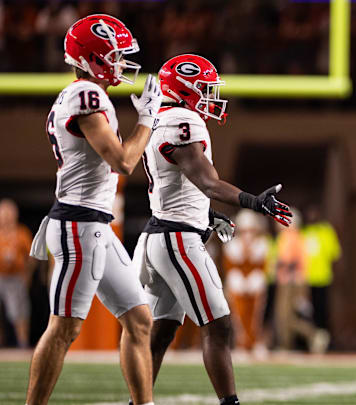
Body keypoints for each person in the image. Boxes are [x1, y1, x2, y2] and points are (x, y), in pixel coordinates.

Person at [132, 54, 292, 405]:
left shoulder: (163, 119)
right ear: (185, 89)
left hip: (163, 234)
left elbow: (180, 187)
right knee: (218, 325)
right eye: (204, 88)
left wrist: (207, 216)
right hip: (177, 240)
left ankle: (138, 403)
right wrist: (253, 201)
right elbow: (207, 182)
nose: (210, 96)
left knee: (162, 331)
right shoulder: (183, 120)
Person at [26, 14, 161, 405]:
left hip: (95, 224)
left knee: (139, 319)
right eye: (115, 55)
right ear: (92, 57)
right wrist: (148, 121)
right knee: (64, 327)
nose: (121, 62)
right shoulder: (87, 95)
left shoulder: (86, 95)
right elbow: (123, 162)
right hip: (77, 226)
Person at [273, 208, 329, 353]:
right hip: (293, 281)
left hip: (290, 282)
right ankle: (294, 341)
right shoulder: (294, 236)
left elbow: (290, 261)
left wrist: (279, 264)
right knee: (288, 316)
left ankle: (310, 335)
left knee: (285, 316)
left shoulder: (290, 236)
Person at [222, 209, 270, 355]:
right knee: (238, 315)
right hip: (237, 284)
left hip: (255, 283)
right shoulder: (231, 245)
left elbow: (262, 266)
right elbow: (230, 267)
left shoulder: (262, 244)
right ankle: (242, 343)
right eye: (245, 231)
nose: (248, 234)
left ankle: (255, 341)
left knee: (256, 315)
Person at [301, 205, 341, 332]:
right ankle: (307, 339)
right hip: (304, 279)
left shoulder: (326, 231)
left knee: (322, 310)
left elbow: (334, 254)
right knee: (305, 311)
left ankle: (324, 336)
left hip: (322, 277)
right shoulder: (302, 233)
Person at [0, 199, 33, 348]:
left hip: (16, 278)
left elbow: (31, 257)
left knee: (19, 312)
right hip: (0, 276)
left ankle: (22, 343)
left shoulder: (21, 233)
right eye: (3, 213)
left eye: (9, 213)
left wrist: (27, 276)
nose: (6, 216)